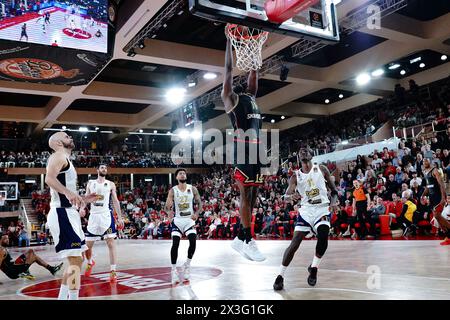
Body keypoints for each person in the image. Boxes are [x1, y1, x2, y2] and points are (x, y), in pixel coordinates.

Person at [221, 33, 265, 262]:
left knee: (254, 197)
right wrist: (229, 41)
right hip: (243, 150)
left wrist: (254, 48)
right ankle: (248, 239)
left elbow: (254, 72)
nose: (245, 81)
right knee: (246, 195)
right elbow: (228, 69)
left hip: (257, 151)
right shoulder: (230, 98)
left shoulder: (251, 96)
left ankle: (240, 237)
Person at [273, 148, 339, 290]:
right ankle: (280, 275)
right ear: (298, 158)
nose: (302, 152)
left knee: (323, 237)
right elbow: (286, 195)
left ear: (311, 155)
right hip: (306, 211)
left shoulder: (322, 169)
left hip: (322, 208)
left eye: (305, 151)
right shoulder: (295, 176)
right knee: (294, 243)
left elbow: (334, 191)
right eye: (300, 152)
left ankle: (313, 268)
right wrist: (289, 197)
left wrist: (333, 203)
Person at [45, 131, 97, 300]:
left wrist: (83, 199)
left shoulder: (65, 159)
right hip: (62, 214)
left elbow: (65, 192)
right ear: (59, 143)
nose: (70, 138)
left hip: (69, 213)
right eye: (66, 136)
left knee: (77, 261)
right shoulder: (58, 156)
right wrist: (68, 192)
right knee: (75, 261)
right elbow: (49, 179)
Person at [81, 164, 124, 283]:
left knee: (111, 244)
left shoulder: (111, 184)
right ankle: (90, 262)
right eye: (102, 168)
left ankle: (113, 271)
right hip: (94, 217)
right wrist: (81, 208)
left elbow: (115, 200)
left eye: (105, 168)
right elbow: (85, 198)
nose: (104, 169)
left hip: (106, 216)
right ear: (97, 170)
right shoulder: (91, 183)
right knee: (87, 246)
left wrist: (120, 217)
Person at [164, 169, 202, 285]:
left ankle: (187, 265)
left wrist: (196, 213)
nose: (182, 175)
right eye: (180, 173)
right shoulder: (173, 191)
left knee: (193, 242)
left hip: (189, 220)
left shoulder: (193, 189)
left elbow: (199, 203)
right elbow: (167, 206)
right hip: (178, 220)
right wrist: (169, 212)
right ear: (176, 177)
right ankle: (173, 270)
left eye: (184, 173)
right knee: (175, 244)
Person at [421, 157, 450, 236]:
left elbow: (441, 184)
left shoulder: (435, 171)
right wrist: (422, 195)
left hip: (438, 196)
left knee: (437, 215)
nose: (425, 163)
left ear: (430, 162)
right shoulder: (425, 172)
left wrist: (443, 198)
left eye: (426, 161)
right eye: (423, 161)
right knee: (437, 217)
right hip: (431, 197)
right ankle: (448, 235)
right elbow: (428, 186)